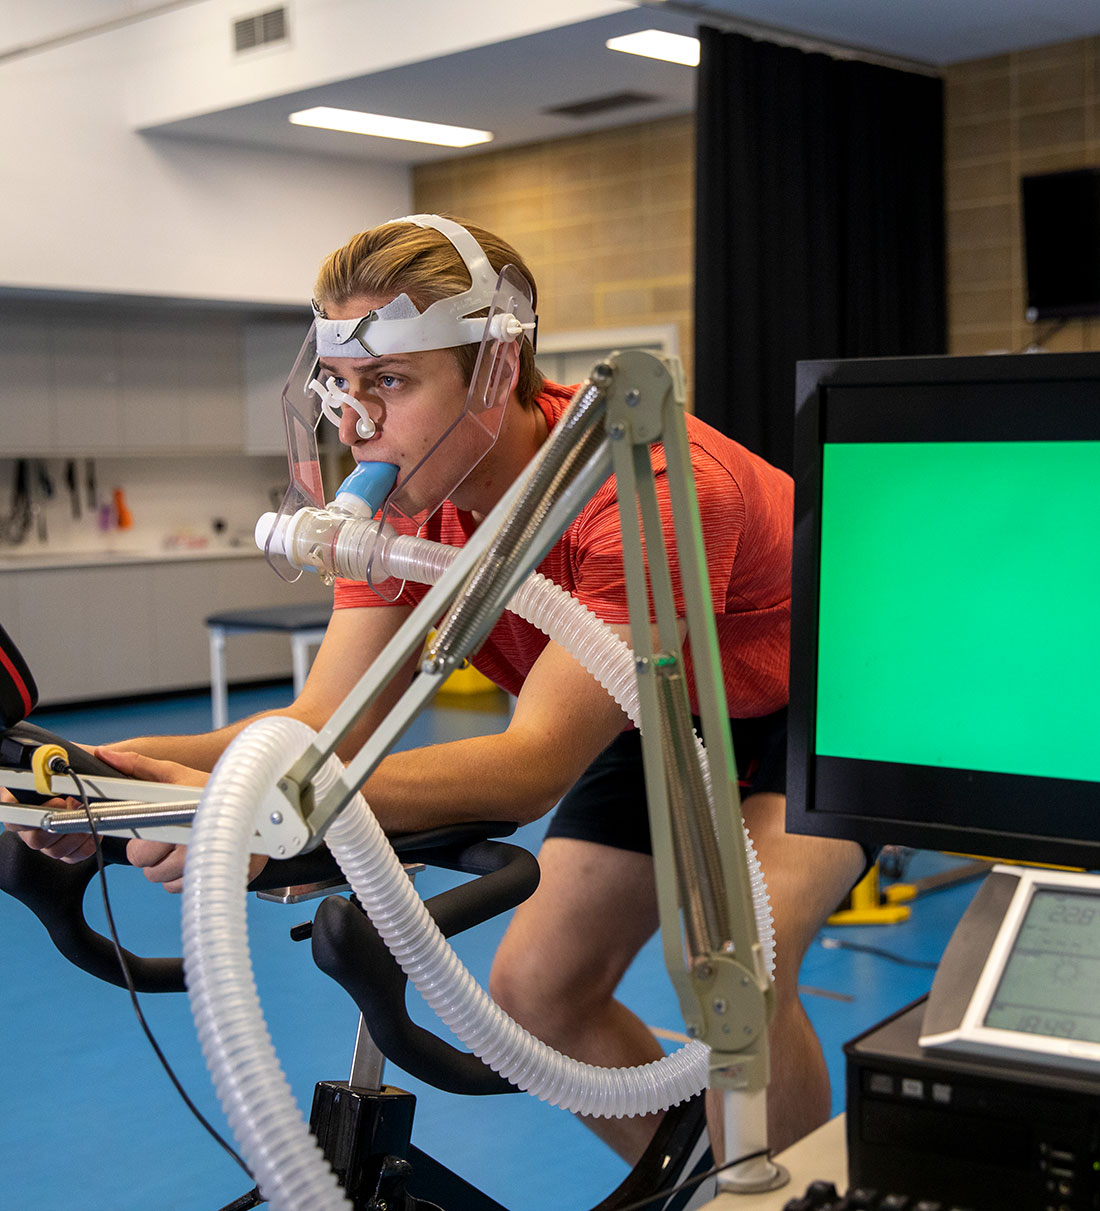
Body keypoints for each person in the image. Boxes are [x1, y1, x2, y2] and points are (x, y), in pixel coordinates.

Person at [4, 214, 863, 1163]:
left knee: (737, 961)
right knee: (538, 992)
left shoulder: (644, 483)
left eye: (390, 382)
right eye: (341, 386)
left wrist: (241, 802)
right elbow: (319, 723)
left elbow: (531, 765)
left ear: (497, 370)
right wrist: (102, 773)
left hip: (818, 700)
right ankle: (706, 1179)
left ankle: (792, 1188)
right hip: (658, 708)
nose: (355, 424)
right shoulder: (403, 509)